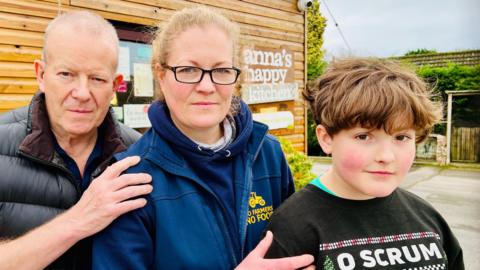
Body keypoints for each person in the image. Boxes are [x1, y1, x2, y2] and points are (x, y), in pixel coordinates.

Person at [92, 6, 314, 270]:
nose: (207, 87)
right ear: (161, 75)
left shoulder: (267, 154)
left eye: (221, 71)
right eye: (187, 70)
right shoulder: (131, 178)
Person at [264, 58, 465, 269]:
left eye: (401, 137)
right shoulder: (292, 228)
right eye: (364, 137)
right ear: (326, 138)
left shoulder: (427, 218)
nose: (386, 156)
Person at [0, 11, 152, 269]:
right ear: (41, 75)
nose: (82, 93)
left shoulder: (138, 153)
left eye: (97, 79)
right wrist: (77, 221)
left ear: (114, 85)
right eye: (66, 74)